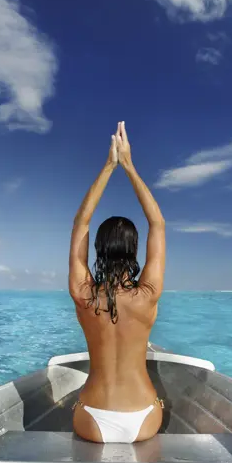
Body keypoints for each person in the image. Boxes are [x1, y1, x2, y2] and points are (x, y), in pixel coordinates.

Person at [68, 121, 166, 443]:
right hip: (144, 418)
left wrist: (108, 167)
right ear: (135, 249)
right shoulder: (147, 295)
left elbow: (81, 221)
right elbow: (158, 223)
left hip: (92, 418)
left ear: (98, 249)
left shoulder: (83, 294)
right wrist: (129, 166)